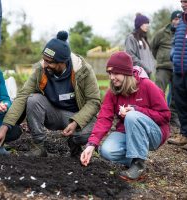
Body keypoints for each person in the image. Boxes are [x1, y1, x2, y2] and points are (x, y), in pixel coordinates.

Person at [0, 31, 101, 158]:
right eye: (44, 60)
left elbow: (94, 101)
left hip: (76, 115)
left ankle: (74, 145)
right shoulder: (41, 69)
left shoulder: (83, 71)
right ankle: (39, 146)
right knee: (32, 100)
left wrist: (76, 122)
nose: (45, 64)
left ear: (62, 62)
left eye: (49, 62)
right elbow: (22, 96)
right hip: (53, 112)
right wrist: (4, 128)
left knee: (84, 135)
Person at [80, 51, 170, 181]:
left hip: (154, 133)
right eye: (110, 73)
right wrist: (91, 144)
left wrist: (136, 110)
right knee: (107, 151)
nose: (112, 77)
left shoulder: (148, 86)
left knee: (132, 116)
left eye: (116, 73)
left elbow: (165, 116)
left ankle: (138, 164)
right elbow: (104, 118)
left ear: (126, 73)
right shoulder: (113, 92)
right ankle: (137, 161)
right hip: (127, 132)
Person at [150, 10, 182, 131]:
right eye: (175, 19)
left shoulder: (182, 32)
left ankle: (173, 118)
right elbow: (153, 47)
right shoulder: (162, 33)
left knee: (176, 94)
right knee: (158, 92)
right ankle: (156, 117)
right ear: (171, 20)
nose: (177, 22)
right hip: (163, 67)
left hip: (177, 68)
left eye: (179, 19)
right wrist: (160, 58)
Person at [167, 0, 187, 150]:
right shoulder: (180, 21)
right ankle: (184, 134)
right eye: (182, 1)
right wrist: (173, 56)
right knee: (180, 103)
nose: (183, 4)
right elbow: (175, 43)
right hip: (179, 71)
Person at [125, 13, 156, 78]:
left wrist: (151, 67)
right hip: (138, 74)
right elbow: (130, 56)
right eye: (145, 23)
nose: (147, 25)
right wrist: (144, 67)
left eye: (148, 23)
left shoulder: (144, 39)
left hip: (147, 74)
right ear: (139, 25)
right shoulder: (131, 37)